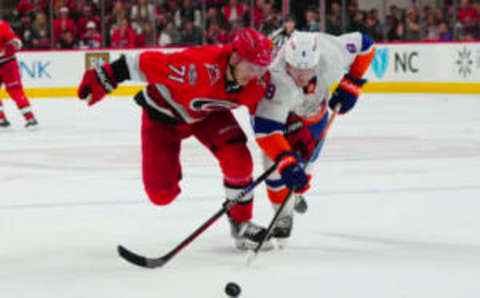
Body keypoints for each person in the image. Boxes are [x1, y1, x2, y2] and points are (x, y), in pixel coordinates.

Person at [77, 28, 274, 250]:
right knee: (161, 194)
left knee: (238, 160)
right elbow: (140, 62)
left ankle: (241, 224)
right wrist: (107, 75)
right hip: (163, 118)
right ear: (235, 57)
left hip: (208, 116)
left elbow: (277, 114)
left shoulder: (257, 81)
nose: (256, 75)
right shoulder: (196, 67)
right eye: (251, 67)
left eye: (260, 68)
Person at [252, 31, 375, 247]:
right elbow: (266, 130)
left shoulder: (331, 56)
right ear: (286, 61)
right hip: (281, 115)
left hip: (313, 114)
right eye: (295, 69)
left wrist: (352, 83)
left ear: (316, 62)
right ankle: (283, 217)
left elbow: (366, 45)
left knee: (306, 167)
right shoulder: (275, 77)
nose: (301, 75)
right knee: (272, 163)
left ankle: (294, 192)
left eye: (307, 69)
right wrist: (286, 164)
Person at [0, 19, 39, 129]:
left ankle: (29, 118)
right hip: (8, 61)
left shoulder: (2, 25)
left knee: (15, 90)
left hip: (8, 63)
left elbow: (16, 42)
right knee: (15, 90)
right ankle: (1, 118)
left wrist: (13, 44)